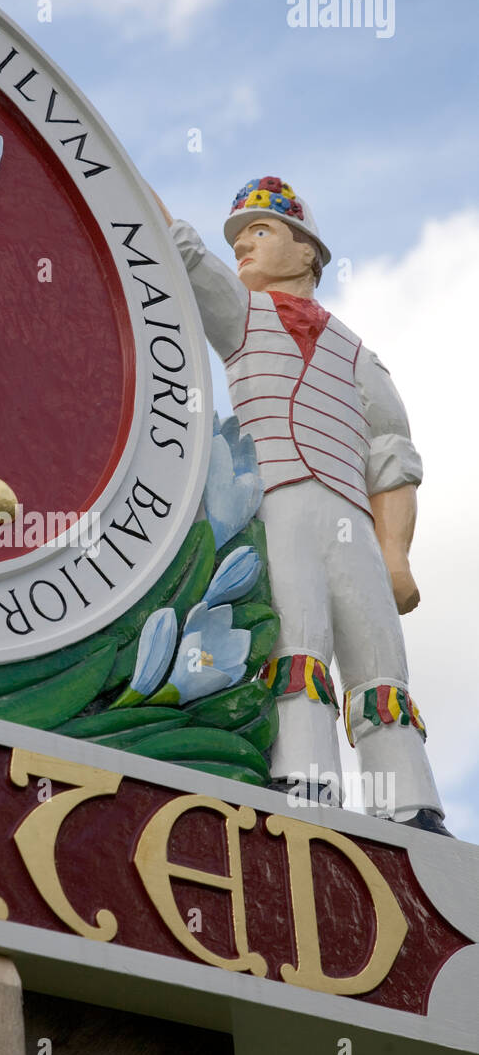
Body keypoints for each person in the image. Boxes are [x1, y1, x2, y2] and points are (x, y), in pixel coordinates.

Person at [152, 176, 448, 834]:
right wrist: (113, 168)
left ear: (307, 251)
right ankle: (304, 777)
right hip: (278, 503)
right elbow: (183, 251)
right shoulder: (242, 311)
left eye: (261, 232)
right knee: (297, 636)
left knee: (378, 660)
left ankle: (408, 801)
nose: (244, 247)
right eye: (241, 236)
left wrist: (396, 553)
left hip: (352, 521)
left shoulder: (358, 353)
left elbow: (392, 452)